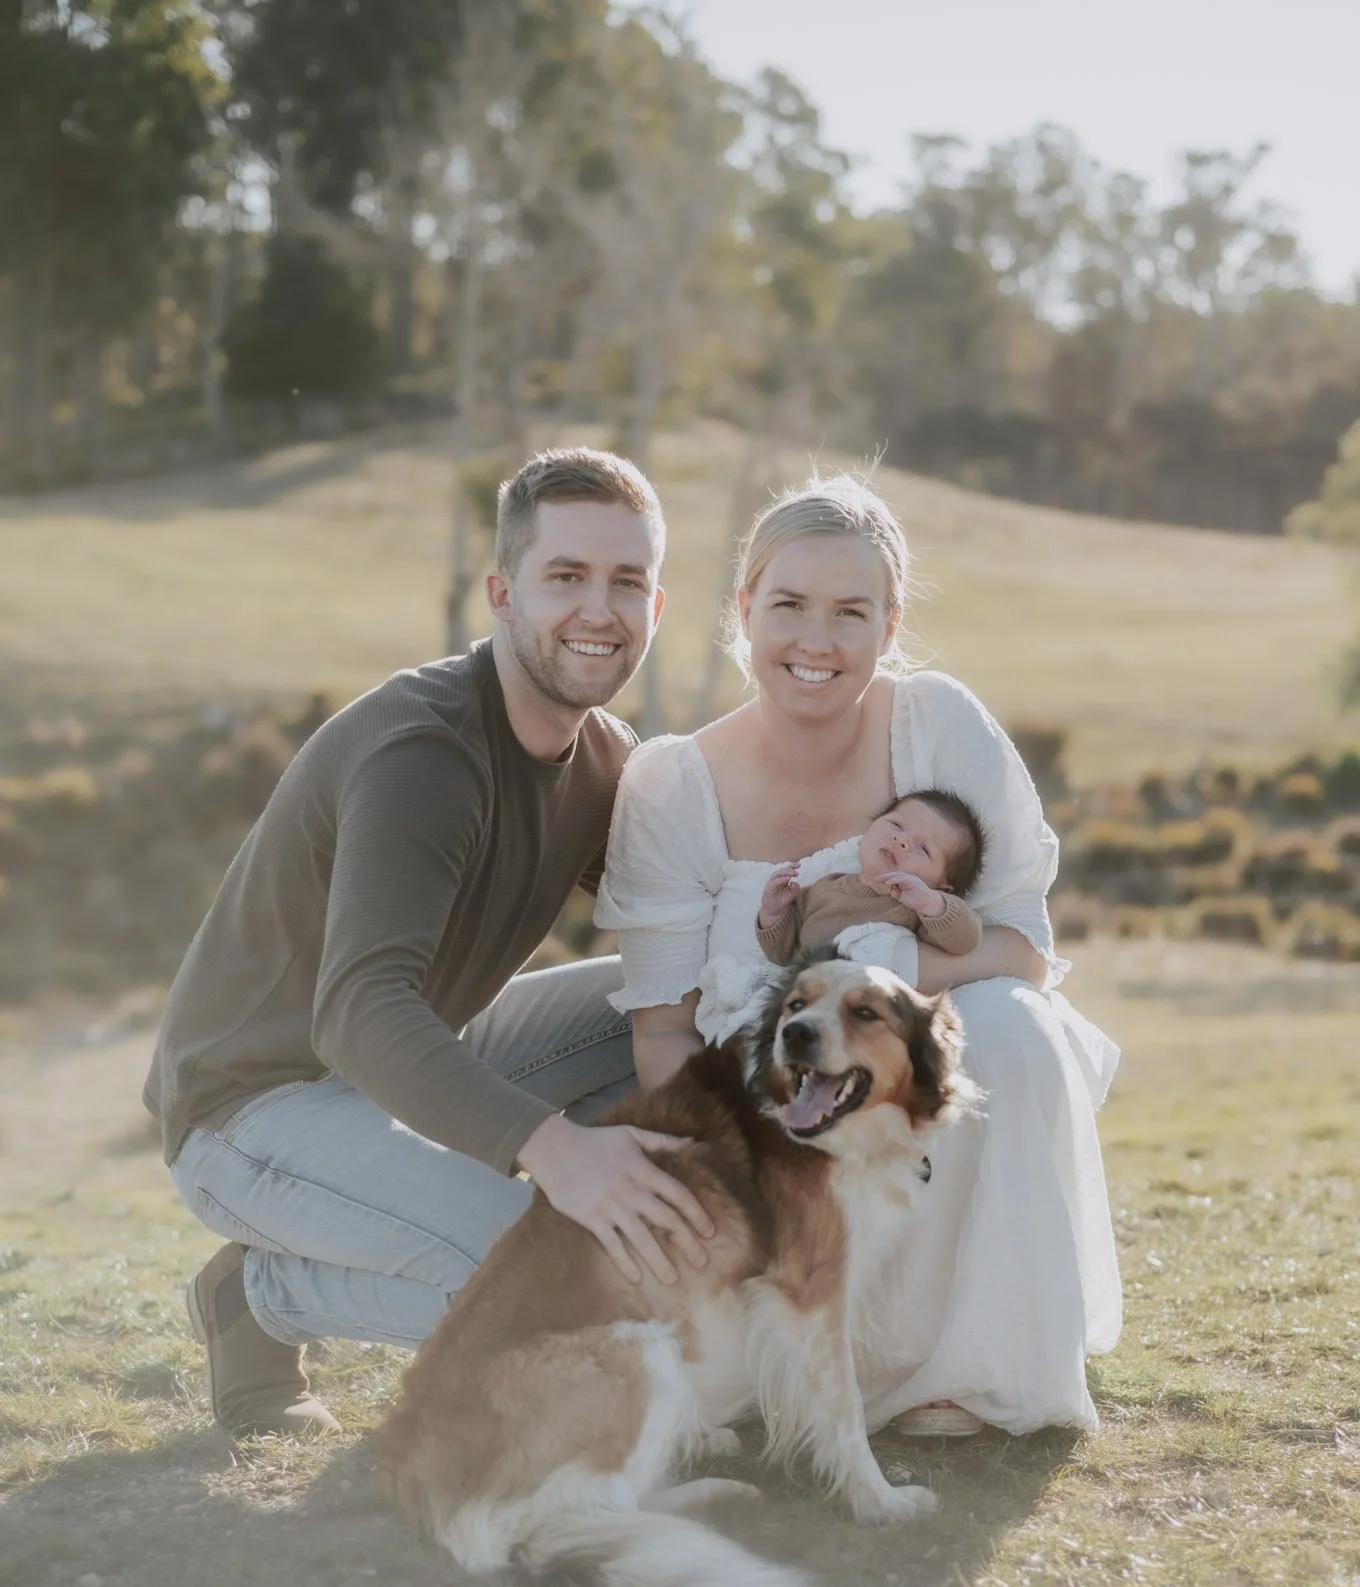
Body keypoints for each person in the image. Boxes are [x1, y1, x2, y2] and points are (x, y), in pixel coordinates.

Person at [145, 447, 715, 1438]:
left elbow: (691, 917)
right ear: (501, 593)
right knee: (549, 1278)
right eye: (565, 576)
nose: (598, 608)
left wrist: (857, 898)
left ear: (656, 611)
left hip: (386, 1074)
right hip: (246, 1107)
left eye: (627, 581)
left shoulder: (602, 758)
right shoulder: (425, 754)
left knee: (673, 985)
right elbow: (360, 1013)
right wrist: (559, 1154)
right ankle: (264, 1293)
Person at [596, 474, 1123, 1438]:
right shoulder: (672, 783)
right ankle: (801, 1356)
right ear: (745, 609)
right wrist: (725, 1172)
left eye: (851, 612)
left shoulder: (939, 726)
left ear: (890, 623)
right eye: (789, 605)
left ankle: (966, 1370)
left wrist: (874, 989)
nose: (817, 640)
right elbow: (667, 1030)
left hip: (924, 1040)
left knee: (1010, 1031)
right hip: (756, 1072)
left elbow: (1022, 953)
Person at [755, 786, 985, 966]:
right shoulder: (822, 889)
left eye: (924, 849)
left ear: (941, 888)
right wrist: (773, 914)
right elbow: (782, 956)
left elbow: (966, 941)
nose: (901, 840)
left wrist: (932, 903)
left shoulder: (917, 912)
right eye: (896, 825)